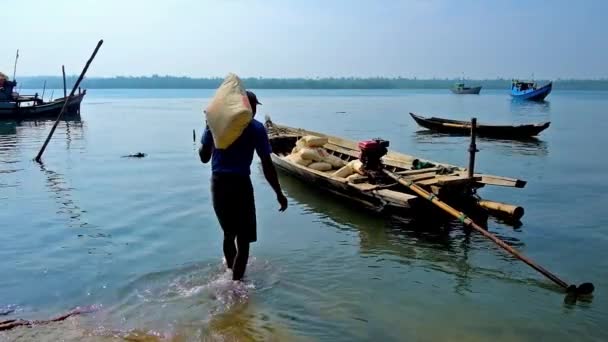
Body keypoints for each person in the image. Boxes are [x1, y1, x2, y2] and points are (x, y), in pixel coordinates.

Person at [199, 90, 288, 281]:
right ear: (245, 107)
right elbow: (267, 163)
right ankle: (237, 284)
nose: (254, 110)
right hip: (240, 185)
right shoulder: (256, 128)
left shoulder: (217, 126)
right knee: (244, 240)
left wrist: (208, 128)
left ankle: (231, 277)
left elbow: (203, 157)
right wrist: (278, 193)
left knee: (229, 234)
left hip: (219, 184)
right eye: (253, 106)